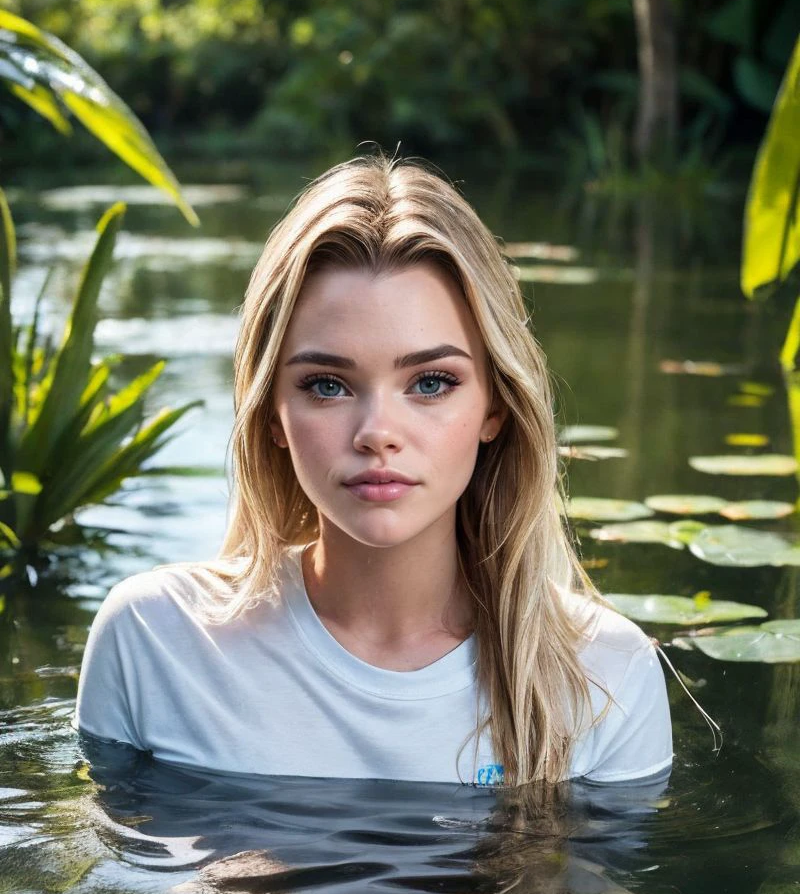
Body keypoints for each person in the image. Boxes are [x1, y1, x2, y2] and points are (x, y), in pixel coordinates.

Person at [72, 152, 672, 788]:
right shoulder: (155, 640)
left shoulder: (606, 676)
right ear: (271, 412)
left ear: (495, 406)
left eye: (432, 382)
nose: (377, 433)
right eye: (327, 384)